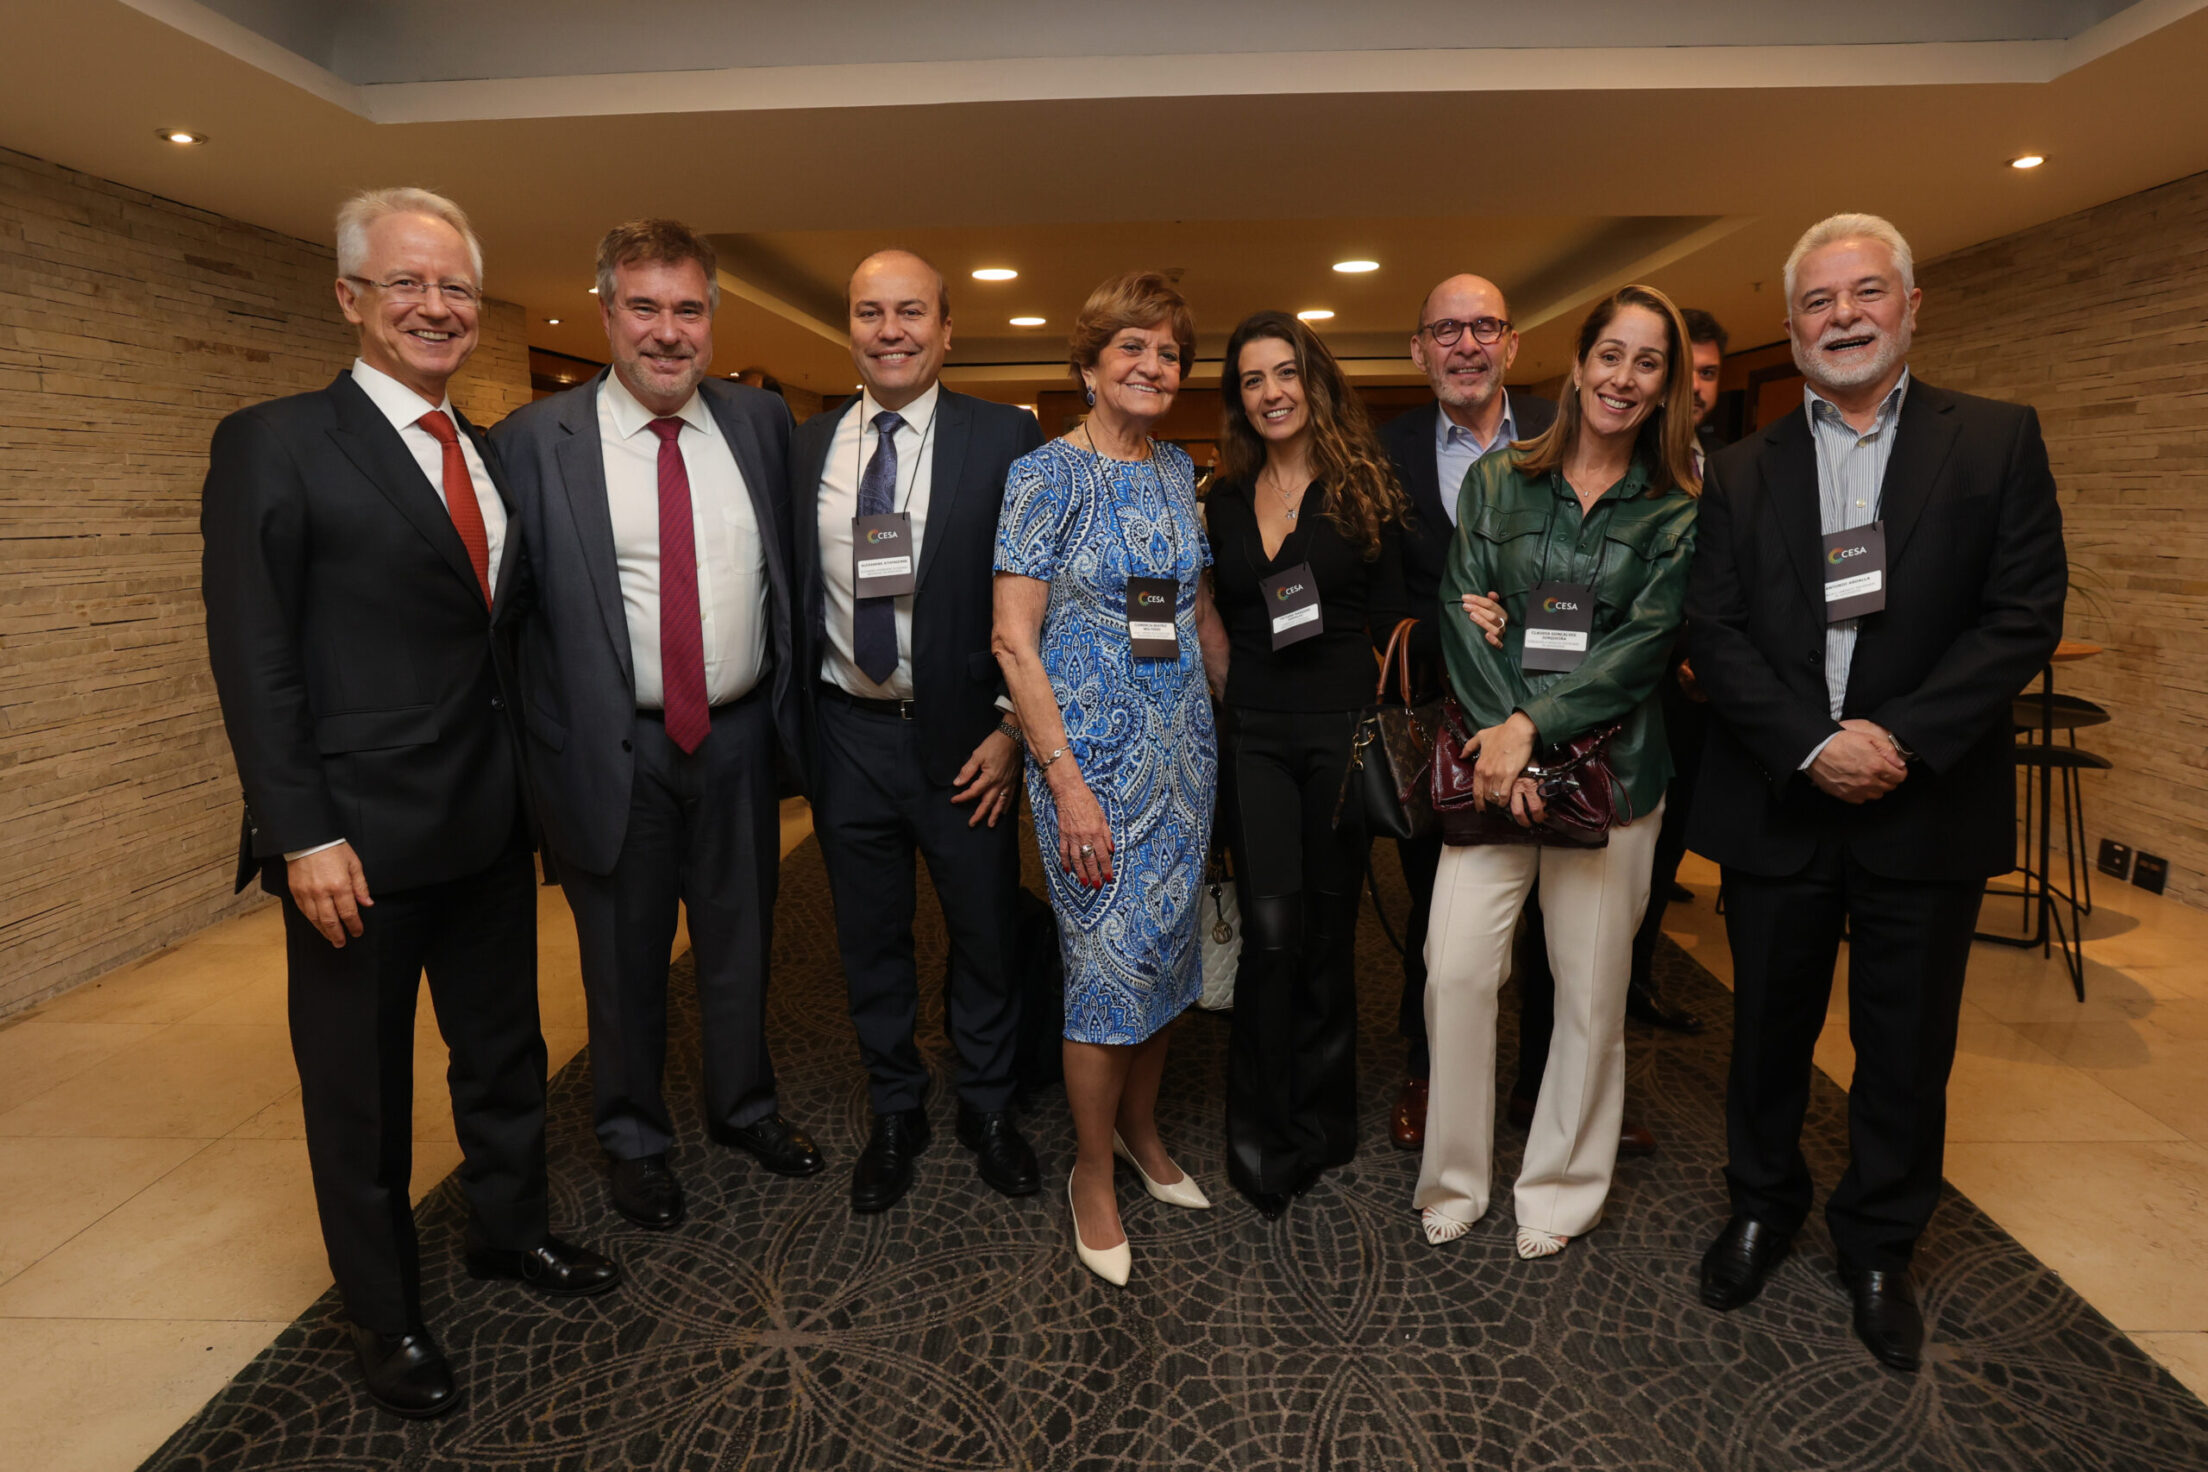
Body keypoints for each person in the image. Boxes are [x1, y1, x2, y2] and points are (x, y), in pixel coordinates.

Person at [201, 187, 618, 1420]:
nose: (436, 307)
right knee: (361, 1095)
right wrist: (302, 831)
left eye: (455, 288)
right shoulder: (275, 442)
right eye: (406, 283)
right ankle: (384, 1314)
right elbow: (254, 655)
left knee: (505, 1052)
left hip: (488, 820)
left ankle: (509, 1229)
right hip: (357, 843)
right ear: (350, 297)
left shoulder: (483, 447)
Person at [1689, 214, 2065, 1371]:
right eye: (1817, 300)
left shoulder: (1995, 439)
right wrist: (1813, 744)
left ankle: (1880, 1244)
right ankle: (1762, 1206)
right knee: (1767, 1029)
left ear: (1911, 306)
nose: (1843, 316)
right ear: (1791, 323)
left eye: (1866, 293)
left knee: (1906, 1042)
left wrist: (1896, 739)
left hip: (1925, 796)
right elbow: (1714, 627)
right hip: (1781, 797)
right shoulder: (1739, 466)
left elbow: (2022, 615)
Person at [494, 220, 819, 1233]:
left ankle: (744, 1106)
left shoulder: (760, 425)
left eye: (687, 309)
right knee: (623, 960)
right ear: (605, 314)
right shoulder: (532, 442)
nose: (667, 332)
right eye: (644, 307)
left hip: (737, 739)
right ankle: (633, 1138)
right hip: (611, 749)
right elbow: (508, 623)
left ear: (712, 318)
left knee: (741, 940)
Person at [1414, 284, 1699, 1260]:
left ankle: (1560, 1190)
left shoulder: (1676, 509)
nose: (1624, 377)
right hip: (1496, 774)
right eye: (1610, 354)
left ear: (1664, 386)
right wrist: (1507, 738)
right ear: (1577, 365)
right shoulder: (1498, 482)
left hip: (1613, 779)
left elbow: (1642, 647)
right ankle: (1455, 1178)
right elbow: (1461, 609)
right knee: (1456, 968)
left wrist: (1532, 724)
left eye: (1648, 362)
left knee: (1588, 993)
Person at [790, 249, 1045, 1212]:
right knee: (869, 937)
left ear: (946, 330)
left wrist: (1013, 727)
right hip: (845, 733)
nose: (889, 331)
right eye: (870, 312)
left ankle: (988, 1105)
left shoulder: (1007, 437)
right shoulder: (805, 446)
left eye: (910, 312)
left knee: (984, 931)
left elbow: (1048, 599)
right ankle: (895, 1107)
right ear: (849, 329)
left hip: (969, 740)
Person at [993, 271, 1229, 1286]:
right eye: (1132, 346)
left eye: (1170, 352)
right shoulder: (1044, 474)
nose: (1153, 365)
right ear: (1089, 365)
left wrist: (1247, 721)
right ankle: (1092, 1171)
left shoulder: (1178, 468)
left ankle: (1141, 1129)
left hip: (1184, 757)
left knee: (1166, 952)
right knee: (1104, 969)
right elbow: (1014, 639)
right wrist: (1065, 781)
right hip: (1088, 767)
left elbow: (1195, 610)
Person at [1207, 312, 1410, 1219]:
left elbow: (1398, 616)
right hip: (1253, 734)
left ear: (1314, 381)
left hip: (1343, 735)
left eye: (1285, 372)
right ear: (1238, 399)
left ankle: (1326, 1119)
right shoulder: (1222, 497)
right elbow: (1209, 616)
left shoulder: (1364, 488)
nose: (1271, 392)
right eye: (1252, 379)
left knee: (1329, 935)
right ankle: (1261, 1136)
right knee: (1271, 934)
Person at [1376, 274, 1555, 1152]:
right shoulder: (1384, 451)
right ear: (1419, 351)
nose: (1467, 345)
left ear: (1511, 343)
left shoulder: (1566, 429)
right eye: (1446, 330)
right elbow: (1372, 591)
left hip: (1555, 708)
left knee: (1559, 912)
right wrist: (1448, 626)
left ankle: (1546, 1084)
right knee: (1438, 907)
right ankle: (1430, 1071)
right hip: (1436, 721)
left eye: (1485, 326)